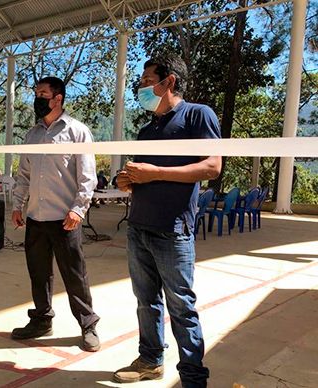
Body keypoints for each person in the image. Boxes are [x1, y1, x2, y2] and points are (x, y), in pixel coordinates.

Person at [113, 55, 221, 387]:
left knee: (182, 308)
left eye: (147, 81)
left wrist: (155, 173)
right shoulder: (148, 130)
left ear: (168, 81)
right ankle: (150, 360)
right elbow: (143, 174)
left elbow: (212, 167)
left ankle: (193, 378)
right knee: (146, 302)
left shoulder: (197, 115)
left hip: (173, 231)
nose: (141, 88)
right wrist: (127, 179)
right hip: (139, 227)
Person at [11, 76, 100, 352]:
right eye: (36, 93)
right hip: (36, 218)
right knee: (38, 274)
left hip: (65, 220)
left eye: (42, 93)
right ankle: (41, 319)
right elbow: (23, 174)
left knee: (75, 275)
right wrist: (17, 205)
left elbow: (87, 176)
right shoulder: (32, 135)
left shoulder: (77, 132)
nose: (37, 98)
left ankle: (88, 325)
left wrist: (79, 209)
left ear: (58, 98)